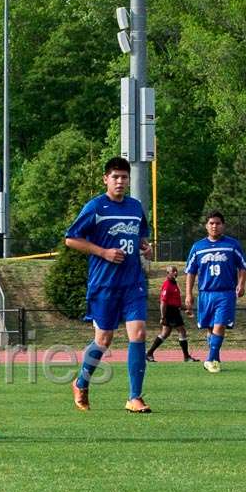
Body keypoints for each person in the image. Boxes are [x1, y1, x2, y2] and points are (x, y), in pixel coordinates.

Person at [64, 156, 154, 414]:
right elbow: (71, 239)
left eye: (124, 177)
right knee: (103, 339)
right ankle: (81, 382)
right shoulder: (96, 207)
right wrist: (103, 252)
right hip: (104, 283)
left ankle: (134, 397)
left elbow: (140, 237)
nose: (120, 181)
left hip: (132, 282)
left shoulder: (136, 207)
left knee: (138, 334)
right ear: (106, 179)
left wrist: (145, 247)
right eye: (115, 176)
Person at [184, 211, 246, 373]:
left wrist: (241, 284)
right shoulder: (198, 247)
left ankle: (210, 358)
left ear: (223, 225)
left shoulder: (232, 244)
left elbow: (243, 266)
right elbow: (191, 272)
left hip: (225, 292)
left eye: (218, 223)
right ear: (206, 226)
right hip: (205, 293)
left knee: (220, 324)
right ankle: (216, 358)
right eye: (211, 223)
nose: (214, 226)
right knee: (210, 328)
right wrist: (189, 294)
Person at [146, 265, 198, 362]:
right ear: (167, 273)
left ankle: (149, 353)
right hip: (170, 311)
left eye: (176, 271)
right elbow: (163, 302)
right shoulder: (167, 285)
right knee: (182, 331)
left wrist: (185, 308)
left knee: (165, 333)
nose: (175, 273)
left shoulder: (174, 284)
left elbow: (176, 302)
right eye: (173, 271)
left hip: (174, 310)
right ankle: (186, 357)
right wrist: (162, 316)